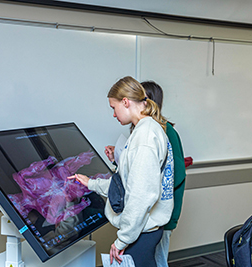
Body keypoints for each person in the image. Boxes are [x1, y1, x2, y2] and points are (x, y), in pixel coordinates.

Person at [68, 76, 174, 267]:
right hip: (144, 229)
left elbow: (140, 195)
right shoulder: (148, 129)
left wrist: (122, 240)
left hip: (142, 231)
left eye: (113, 108)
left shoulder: (145, 138)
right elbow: (128, 183)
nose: (114, 115)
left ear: (125, 102)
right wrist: (91, 183)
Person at [141, 81, 186, 267]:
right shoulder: (145, 129)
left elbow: (177, 174)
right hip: (150, 212)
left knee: (158, 260)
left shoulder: (167, 131)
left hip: (162, 212)